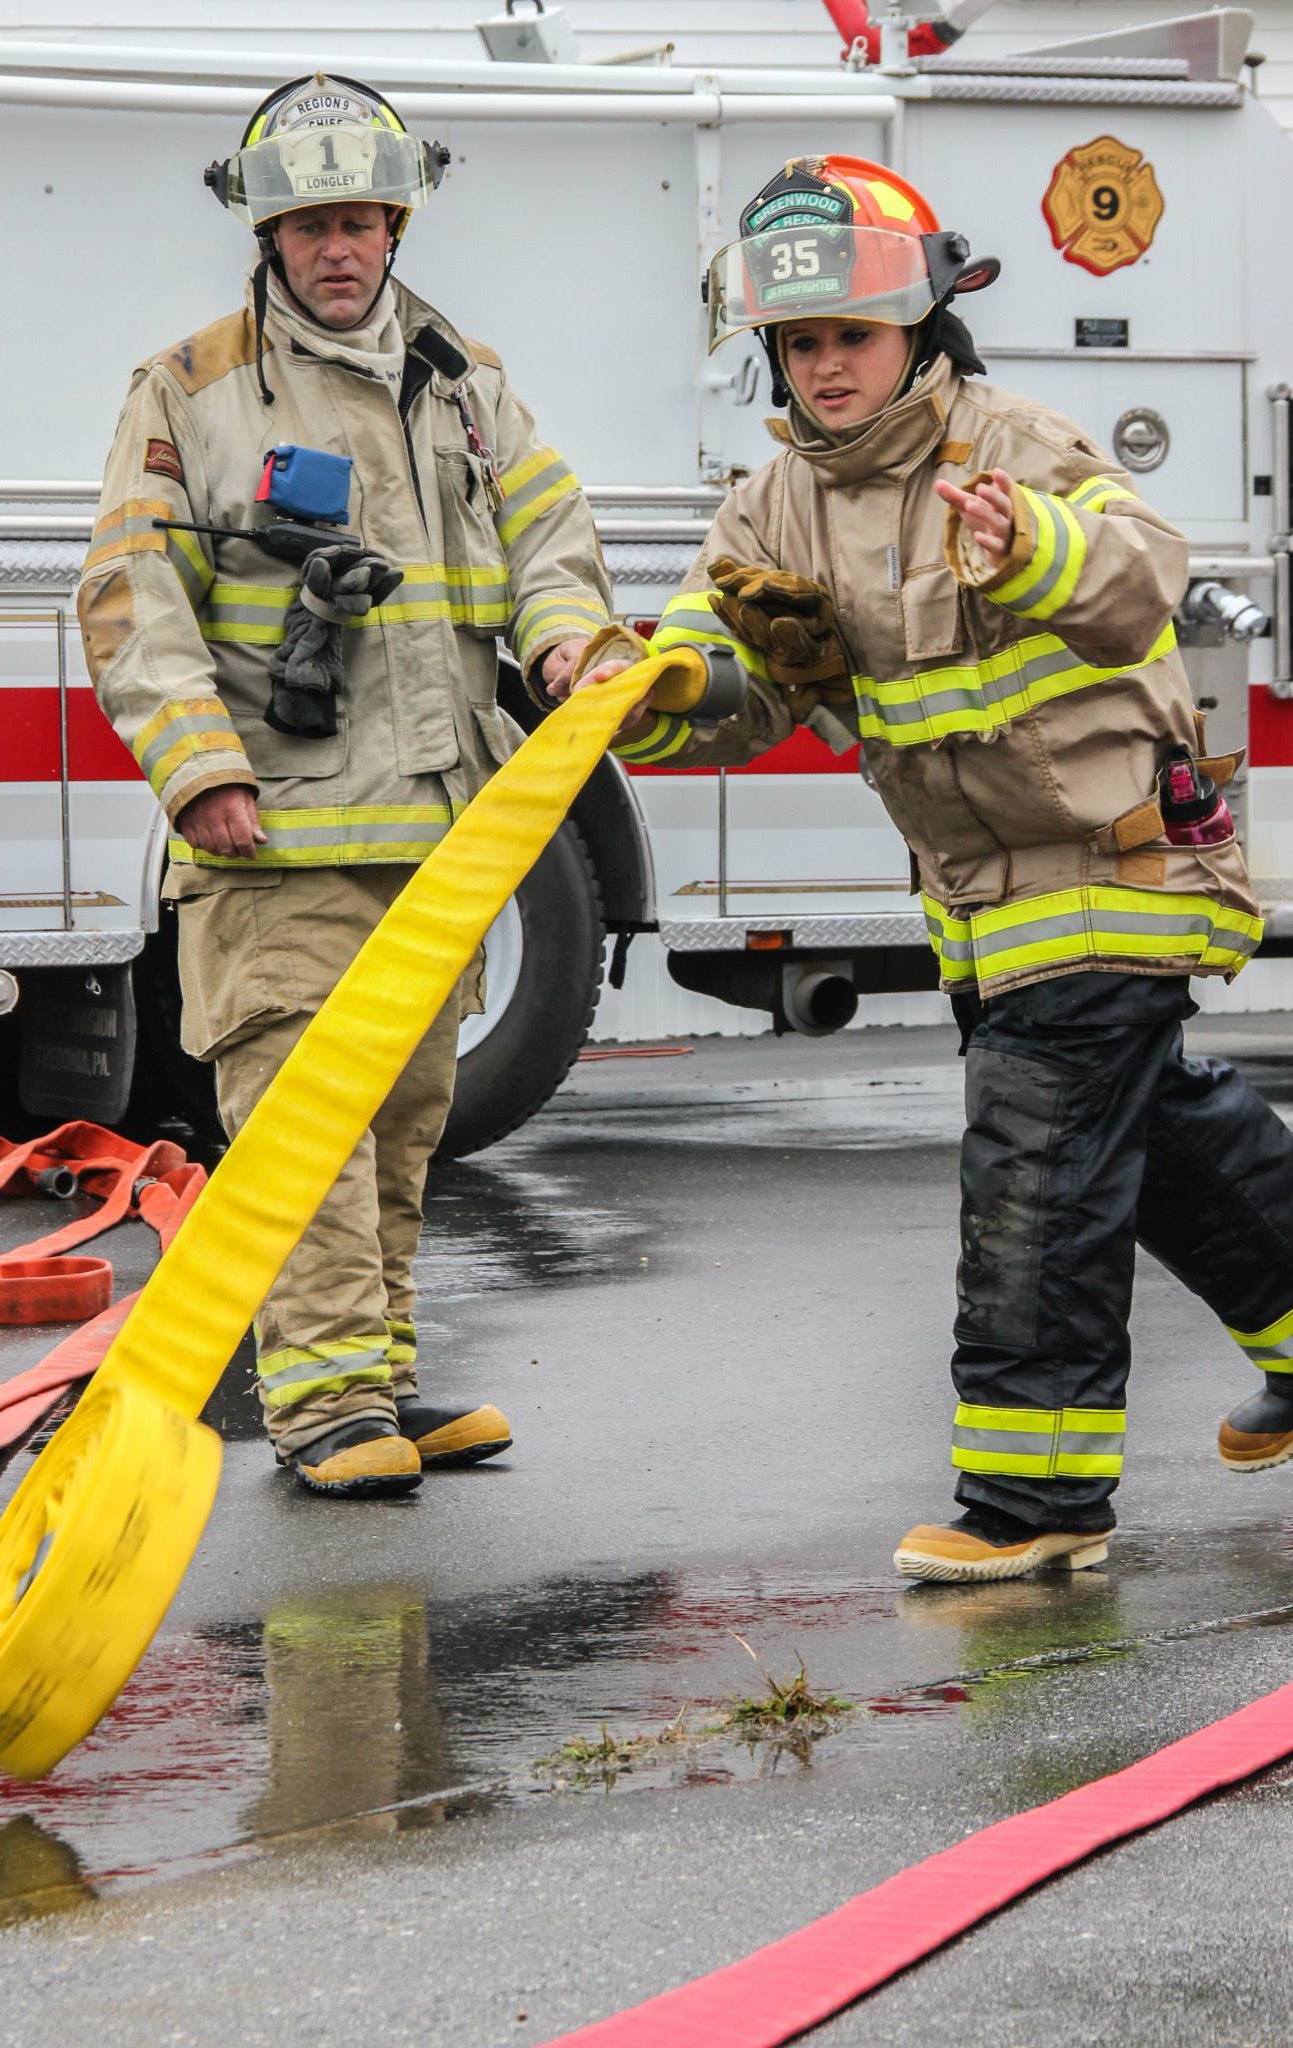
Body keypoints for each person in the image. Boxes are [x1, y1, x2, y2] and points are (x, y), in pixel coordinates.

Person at [563, 155, 1293, 1582]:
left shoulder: (1009, 444)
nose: (825, 365)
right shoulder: (771, 507)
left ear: (920, 328)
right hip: (982, 902)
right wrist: (666, 686)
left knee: (1034, 1169)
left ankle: (1033, 1507)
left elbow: (1142, 573)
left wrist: (1033, 546)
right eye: (801, 341)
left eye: (851, 333)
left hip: (1110, 871)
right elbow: (743, 683)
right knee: (1147, 1143)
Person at [79, 74, 612, 1498]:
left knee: (402, 1114)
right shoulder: (191, 390)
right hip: (280, 843)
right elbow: (132, 596)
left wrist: (566, 634)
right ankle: (319, 1413)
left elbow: (553, 532)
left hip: (437, 843)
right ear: (267, 231)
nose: (339, 248)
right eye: (310, 223)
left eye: (361, 221)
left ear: (396, 221)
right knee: (302, 1126)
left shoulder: (463, 379)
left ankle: (373, 1376)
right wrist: (199, 775)